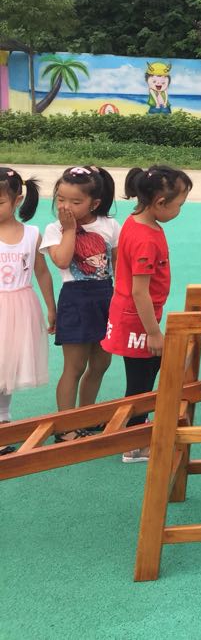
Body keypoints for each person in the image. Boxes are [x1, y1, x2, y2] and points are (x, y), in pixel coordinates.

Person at [101, 166, 193, 463]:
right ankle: (134, 442)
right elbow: (140, 291)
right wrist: (153, 332)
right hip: (137, 319)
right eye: (179, 205)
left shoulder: (138, 221)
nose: (180, 210)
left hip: (138, 314)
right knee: (139, 383)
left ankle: (136, 426)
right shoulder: (146, 238)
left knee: (153, 367)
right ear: (160, 203)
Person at [40, 166, 119, 429]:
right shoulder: (55, 229)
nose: (66, 206)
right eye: (61, 199)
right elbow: (62, 261)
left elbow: (118, 265)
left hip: (106, 297)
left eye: (75, 202)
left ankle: (87, 417)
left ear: (94, 203)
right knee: (74, 367)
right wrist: (69, 229)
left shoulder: (109, 225)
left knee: (101, 364)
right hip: (76, 300)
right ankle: (66, 427)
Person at [0, 169, 55, 453]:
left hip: (19, 309)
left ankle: (3, 421)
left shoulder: (32, 234)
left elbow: (42, 272)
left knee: (7, 367)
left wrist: (51, 307)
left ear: (17, 200)